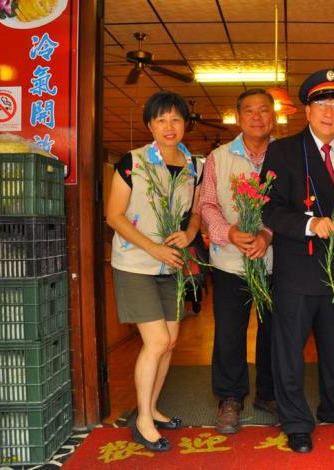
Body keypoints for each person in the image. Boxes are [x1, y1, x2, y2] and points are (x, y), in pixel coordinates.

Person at [260, 69, 334, 453]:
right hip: (298, 268)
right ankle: (296, 422)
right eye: (322, 104)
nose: (329, 112)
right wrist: (309, 224)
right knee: (289, 350)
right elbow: (269, 209)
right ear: (307, 111)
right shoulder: (283, 151)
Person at [107, 91, 203, 451]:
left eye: (175, 119)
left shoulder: (194, 166)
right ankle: (143, 419)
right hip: (135, 264)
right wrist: (153, 247)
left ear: (185, 124)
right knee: (158, 341)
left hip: (171, 264)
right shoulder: (131, 162)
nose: (169, 126)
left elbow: (195, 212)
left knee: (171, 342)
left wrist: (189, 234)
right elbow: (114, 216)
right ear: (150, 125)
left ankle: (153, 408)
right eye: (161, 119)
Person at [198, 88, 276, 434]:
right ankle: (230, 396)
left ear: (273, 116)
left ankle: (269, 393)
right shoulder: (218, 157)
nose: (257, 117)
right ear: (238, 117)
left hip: (275, 260)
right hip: (230, 261)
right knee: (230, 332)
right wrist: (229, 232)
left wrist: (266, 235)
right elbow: (206, 205)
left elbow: (291, 204)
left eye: (264, 110)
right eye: (249, 111)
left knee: (274, 330)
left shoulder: (286, 155)